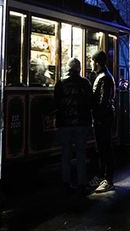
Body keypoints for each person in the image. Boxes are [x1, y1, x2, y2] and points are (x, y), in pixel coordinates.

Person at [54, 58, 93, 195]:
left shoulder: (60, 83)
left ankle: (66, 182)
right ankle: (82, 183)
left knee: (66, 153)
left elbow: (57, 103)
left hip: (65, 123)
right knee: (81, 153)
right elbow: (90, 102)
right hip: (82, 123)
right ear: (79, 68)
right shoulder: (85, 83)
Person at [90, 51, 116, 193]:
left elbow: (102, 100)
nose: (90, 64)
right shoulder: (104, 76)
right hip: (103, 118)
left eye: (91, 61)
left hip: (103, 119)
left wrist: (95, 112)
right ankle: (103, 177)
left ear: (97, 63)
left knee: (105, 148)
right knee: (102, 148)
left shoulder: (104, 78)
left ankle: (108, 179)